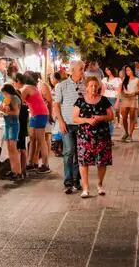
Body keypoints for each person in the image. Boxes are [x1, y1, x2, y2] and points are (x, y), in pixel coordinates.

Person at [72, 76, 114, 198]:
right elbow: (74, 118)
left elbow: (111, 116)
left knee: (102, 161)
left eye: (96, 86)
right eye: (91, 86)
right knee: (84, 162)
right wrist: (87, 120)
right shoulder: (80, 101)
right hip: (84, 137)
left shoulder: (104, 100)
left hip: (102, 136)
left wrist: (101, 118)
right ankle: (85, 188)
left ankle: (100, 185)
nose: (94, 88)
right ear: (86, 87)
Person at [53, 61, 85, 194]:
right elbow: (56, 105)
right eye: (80, 69)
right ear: (72, 70)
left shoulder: (85, 85)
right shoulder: (62, 85)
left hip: (82, 124)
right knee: (68, 152)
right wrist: (60, 121)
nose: (83, 72)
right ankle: (68, 182)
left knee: (79, 154)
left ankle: (76, 181)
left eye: (83, 69)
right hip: (67, 124)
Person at [16, 73, 51, 174]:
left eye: (16, 82)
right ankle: (31, 163)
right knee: (32, 138)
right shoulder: (32, 87)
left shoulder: (26, 88)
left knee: (41, 138)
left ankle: (45, 164)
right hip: (36, 114)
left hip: (40, 113)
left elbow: (19, 101)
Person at [0, 84, 24, 181]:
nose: (3, 95)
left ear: (7, 92)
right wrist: (3, 110)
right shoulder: (7, 99)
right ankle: (14, 171)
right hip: (8, 124)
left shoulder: (14, 98)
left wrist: (4, 111)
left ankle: (18, 172)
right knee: (9, 148)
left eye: (4, 93)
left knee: (13, 148)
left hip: (13, 124)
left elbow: (16, 113)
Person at [120, 65, 139, 142]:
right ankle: (126, 132)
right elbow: (121, 89)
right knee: (124, 117)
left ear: (132, 70)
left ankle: (130, 135)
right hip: (125, 98)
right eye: (126, 70)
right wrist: (123, 94)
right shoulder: (124, 79)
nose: (127, 72)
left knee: (132, 117)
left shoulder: (137, 80)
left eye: (129, 70)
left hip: (133, 99)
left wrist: (133, 93)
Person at [102, 67, 122, 135]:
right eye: (106, 70)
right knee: (105, 118)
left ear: (111, 70)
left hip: (113, 99)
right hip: (105, 98)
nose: (106, 71)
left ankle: (110, 135)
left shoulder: (118, 80)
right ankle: (106, 134)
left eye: (108, 69)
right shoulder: (104, 79)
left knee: (111, 118)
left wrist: (117, 102)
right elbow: (103, 91)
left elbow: (119, 92)